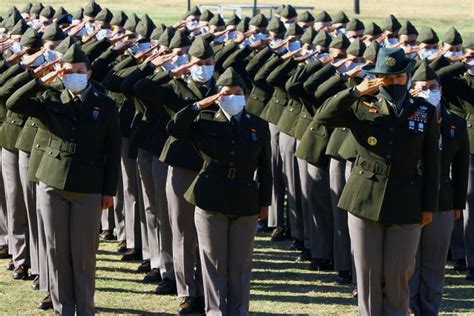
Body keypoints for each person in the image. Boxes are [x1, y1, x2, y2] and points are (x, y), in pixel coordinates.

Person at [316, 47, 440, 315]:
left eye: (398, 78)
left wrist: (428, 205)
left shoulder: (424, 110)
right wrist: (354, 92)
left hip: (407, 199)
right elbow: (323, 116)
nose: (392, 83)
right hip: (364, 197)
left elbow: (432, 163)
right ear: (376, 78)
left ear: (407, 77)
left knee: (399, 274)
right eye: (386, 78)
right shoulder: (361, 105)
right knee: (368, 275)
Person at [6, 44, 121, 315]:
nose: (73, 76)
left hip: (88, 186)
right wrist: (38, 78)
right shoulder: (51, 98)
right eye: (67, 72)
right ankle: (62, 308)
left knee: (83, 255)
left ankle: (85, 308)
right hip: (52, 184)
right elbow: (13, 102)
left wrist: (108, 191)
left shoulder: (104, 104)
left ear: (89, 73)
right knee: (56, 252)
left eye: (78, 71)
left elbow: (112, 150)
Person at [167, 67, 272, 315]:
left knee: (240, 263)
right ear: (217, 96)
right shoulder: (204, 122)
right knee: (214, 262)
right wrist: (197, 107)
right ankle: (215, 310)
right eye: (226, 93)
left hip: (245, 199)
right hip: (210, 197)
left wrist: (265, 202)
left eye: (237, 93)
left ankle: (239, 310)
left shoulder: (257, 125)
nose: (232, 97)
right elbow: (174, 128)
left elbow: (266, 167)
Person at [408, 62, 469, 315]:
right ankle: (409, 308)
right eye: (421, 88)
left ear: (441, 90)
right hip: (410, 196)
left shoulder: (455, 122)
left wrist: (457, 204)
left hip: (443, 199)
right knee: (410, 260)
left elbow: (462, 167)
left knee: (434, 263)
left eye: (432, 87)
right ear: (412, 91)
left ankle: (429, 309)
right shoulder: (407, 118)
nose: (428, 92)